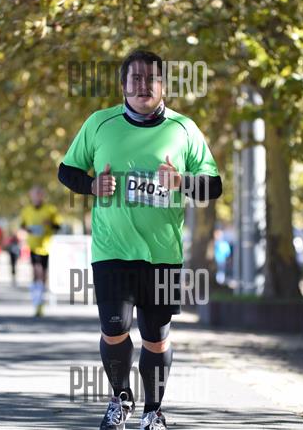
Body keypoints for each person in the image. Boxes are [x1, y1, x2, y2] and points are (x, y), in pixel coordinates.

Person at [58, 50, 222, 430]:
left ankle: (153, 411)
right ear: (123, 86)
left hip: (162, 253)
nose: (144, 85)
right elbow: (66, 171)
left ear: (163, 85)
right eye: (136, 79)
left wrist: (182, 181)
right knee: (114, 329)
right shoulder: (100, 124)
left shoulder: (184, 129)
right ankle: (120, 398)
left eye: (152, 79)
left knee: (156, 337)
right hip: (112, 250)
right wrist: (92, 186)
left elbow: (213, 186)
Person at [19, 186, 62, 317]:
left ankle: (40, 299)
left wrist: (50, 224)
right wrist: (28, 229)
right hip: (32, 245)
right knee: (36, 271)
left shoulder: (50, 209)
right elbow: (22, 226)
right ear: (31, 196)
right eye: (34, 194)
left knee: (43, 273)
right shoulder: (26, 210)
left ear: (43, 196)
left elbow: (58, 226)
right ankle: (36, 300)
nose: (37, 197)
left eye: (39, 194)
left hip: (46, 246)